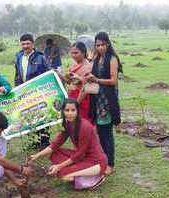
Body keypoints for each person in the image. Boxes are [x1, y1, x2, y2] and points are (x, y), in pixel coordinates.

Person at [28, 98, 107, 189]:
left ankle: (96, 178)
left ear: (78, 111)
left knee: (63, 175)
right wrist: (37, 155)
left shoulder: (85, 127)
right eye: (67, 110)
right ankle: (80, 172)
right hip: (83, 157)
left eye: (73, 110)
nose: (70, 113)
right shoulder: (67, 123)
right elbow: (56, 144)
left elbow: (80, 153)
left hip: (96, 162)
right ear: (63, 111)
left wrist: (59, 166)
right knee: (55, 152)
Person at [86, 32, 121, 175]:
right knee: (100, 132)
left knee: (107, 133)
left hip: (107, 101)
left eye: (102, 45)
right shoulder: (97, 58)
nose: (100, 47)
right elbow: (93, 75)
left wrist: (97, 80)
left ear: (108, 44)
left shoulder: (112, 59)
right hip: (97, 99)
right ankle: (103, 160)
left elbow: (113, 81)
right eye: (97, 45)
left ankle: (110, 164)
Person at [14, 33, 50, 150]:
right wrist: (17, 89)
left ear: (32, 44)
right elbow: (17, 74)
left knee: (42, 114)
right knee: (28, 115)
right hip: (24, 92)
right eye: (23, 43)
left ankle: (44, 141)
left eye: (28, 43)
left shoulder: (40, 57)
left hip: (38, 91)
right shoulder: (19, 56)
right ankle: (34, 140)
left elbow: (47, 73)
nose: (25, 46)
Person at [65, 42, 93, 123]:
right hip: (72, 97)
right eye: (72, 53)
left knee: (83, 124)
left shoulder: (89, 67)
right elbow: (69, 82)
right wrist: (59, 75)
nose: (73, 55)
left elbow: (90, 86)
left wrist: (77, 103)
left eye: (76, 53)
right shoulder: (73, 65)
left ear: (83, 53)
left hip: (83, 99)